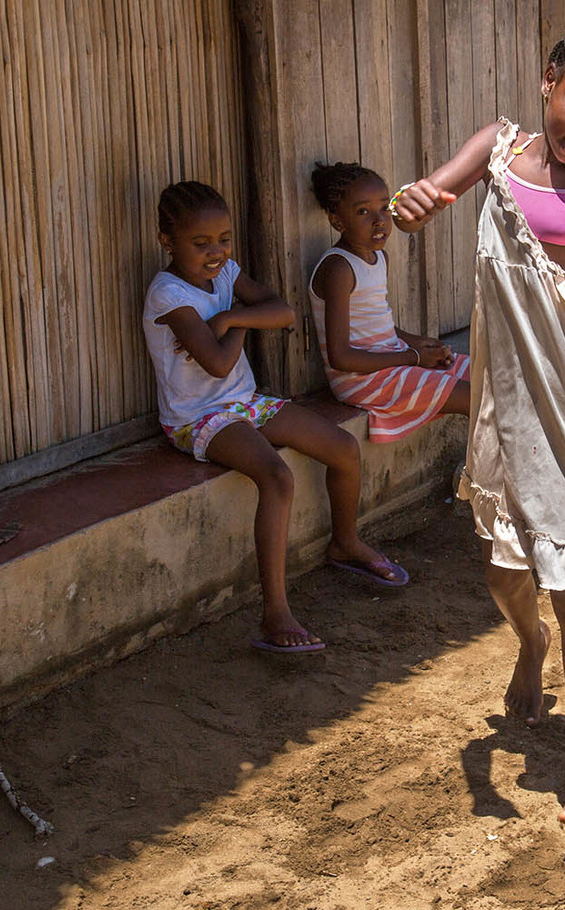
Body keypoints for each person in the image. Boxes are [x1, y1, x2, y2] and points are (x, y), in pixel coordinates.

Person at [390, 17, 565, 827]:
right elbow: (432, 192)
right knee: (505, 570)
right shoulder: (499, 151)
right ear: (549, 80)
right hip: (503, 398)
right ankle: (529, 645)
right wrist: (416, 202)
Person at [144, 181, 408, 654]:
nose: (216, 253)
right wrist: (245, 314)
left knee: (343, 449)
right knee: (277, 477)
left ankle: (344, 542)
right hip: (197, 417)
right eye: (200, 243)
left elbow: (283, 312)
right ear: (168, 242)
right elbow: (219, 364)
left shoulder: (225, 276)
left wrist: (230, 319)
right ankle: (275, 613)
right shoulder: (167, 294)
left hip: (244, 401)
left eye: (224, 240)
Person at [307, 162, 471, 441]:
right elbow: (341, 357)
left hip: (392, 360)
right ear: (337, 222)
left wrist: (416, 342)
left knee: (484, 374)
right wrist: (414, 357)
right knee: (475, 398)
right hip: (362, 380)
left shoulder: (378, 257)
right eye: (363, 212)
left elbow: (375, 326)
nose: (379, 220)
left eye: (384, 208)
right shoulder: (339, 268)